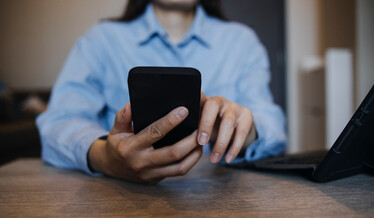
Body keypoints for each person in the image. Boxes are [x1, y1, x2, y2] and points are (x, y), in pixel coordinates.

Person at [36, 0, 286, 184]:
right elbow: (59, 121)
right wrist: (105, 157)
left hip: (219, 199)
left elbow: (272, 126)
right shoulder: (101, 40)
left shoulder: (242, 42)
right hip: (119, 199)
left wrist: (243, 128)